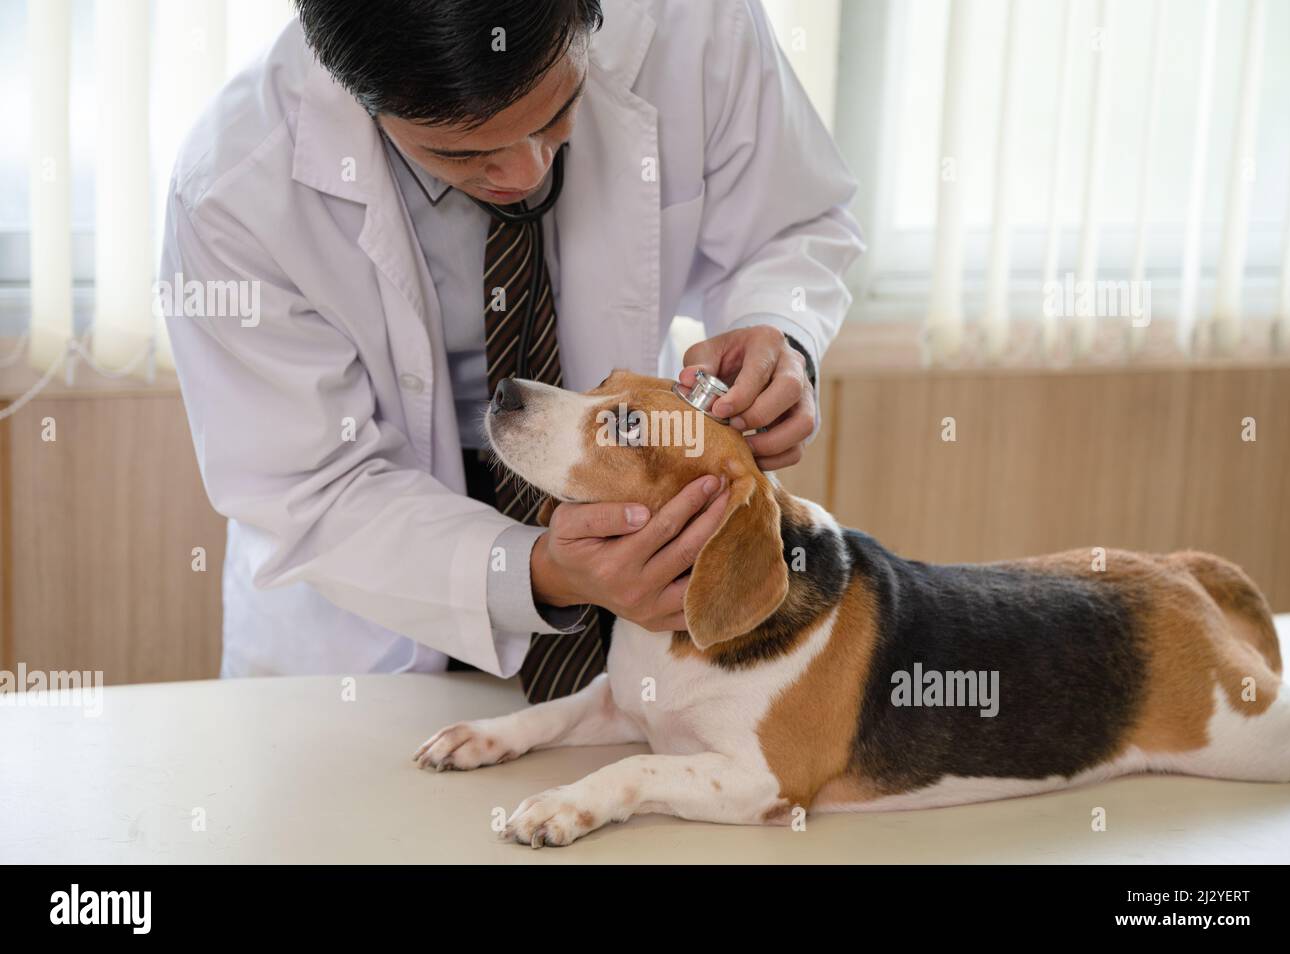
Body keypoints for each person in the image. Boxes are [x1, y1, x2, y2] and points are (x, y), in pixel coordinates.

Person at [161, 0, 863, 698]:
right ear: (358, 95)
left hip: (617, 519)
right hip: (375, 597)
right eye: (462, 154)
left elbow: (791, 223)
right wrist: (540, 572)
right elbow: (313, 490)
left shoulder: (698, 22)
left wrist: (780, 330)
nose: (527, 175)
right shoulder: (231, 192)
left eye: (559, 112)